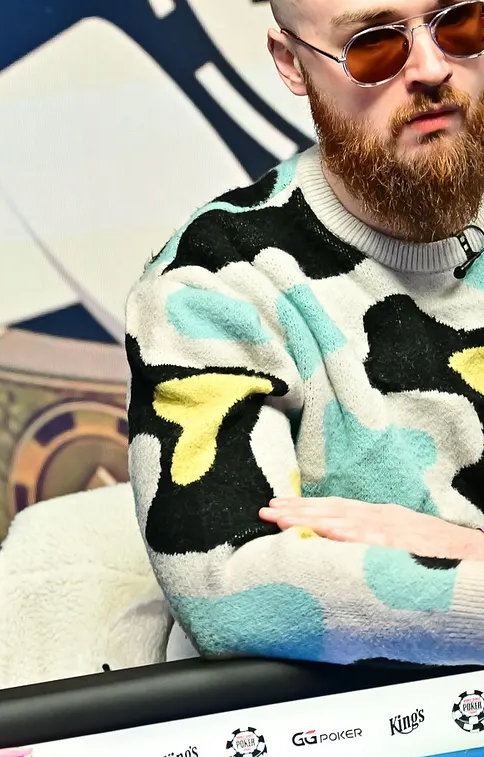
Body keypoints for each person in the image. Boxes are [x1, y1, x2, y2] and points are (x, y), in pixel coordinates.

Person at [126, 0, 484, 665]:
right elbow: (230, 591)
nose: (432, 68)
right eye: (375, 45)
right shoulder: (215, 281)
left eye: (460, 22)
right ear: (292, 62)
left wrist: (466, 552)